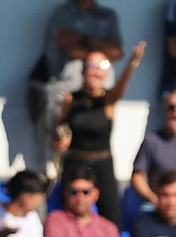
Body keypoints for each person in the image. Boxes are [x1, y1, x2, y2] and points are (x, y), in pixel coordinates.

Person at [54, 42, 145, 225]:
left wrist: (132, 62)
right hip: (76, 161)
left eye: (102, 66)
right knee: (67, 215)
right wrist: (60, 136)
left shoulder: (108, 99)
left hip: (102, 162)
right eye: (91, 65)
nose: (96, 71)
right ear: (83, 71)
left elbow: (122, 85)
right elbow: (59, 125)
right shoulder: (72, 99)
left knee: (111, 215)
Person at [30, 0, 124, 168]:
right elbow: (66, 43)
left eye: (98, 64)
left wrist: (82, 40)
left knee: (95, 137)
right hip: (65, 87)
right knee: (58, 139)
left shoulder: (108, 15)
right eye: (89, 64)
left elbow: (116, 51)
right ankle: (50, 175)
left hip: (99, 95)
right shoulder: (63, 12)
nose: (93, 65)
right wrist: (100, 50)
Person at [132, 89, 176, 205]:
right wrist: (154, 199)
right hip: (159, 212)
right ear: (165, 110)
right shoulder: (152, 140)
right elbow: (137, 176)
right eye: (171, 107)